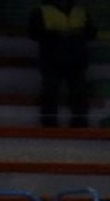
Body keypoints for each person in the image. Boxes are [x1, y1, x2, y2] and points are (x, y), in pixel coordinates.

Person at [29, 0, 96, 128]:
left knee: (79, 93)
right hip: (52, 59)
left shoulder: (80, 12)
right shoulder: (41, 12)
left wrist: (77, 35)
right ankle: (49, 124)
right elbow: (34, 33)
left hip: (76, 59)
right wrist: (56, 35)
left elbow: (91, 33)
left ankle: (79, 124)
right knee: (50, 93)